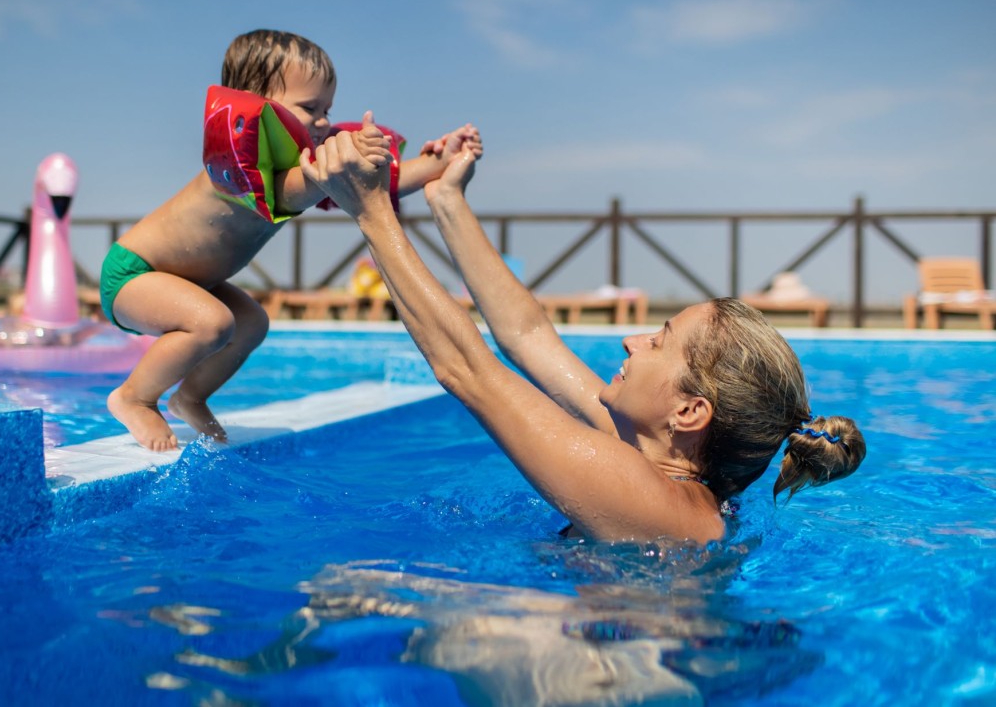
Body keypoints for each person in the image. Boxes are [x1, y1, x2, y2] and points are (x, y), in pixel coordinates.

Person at [300, 124, 865, 544]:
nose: (631, 342)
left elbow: (468, 371)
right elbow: (526, 334)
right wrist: (447, 200)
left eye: (659, 341)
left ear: (691, 413)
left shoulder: (653, 498)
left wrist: (370, 209)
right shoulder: (651, 461)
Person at [101, 29, 480, 451]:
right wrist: (350, 157)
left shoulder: (304, 170)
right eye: (309, 108)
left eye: (327, 109)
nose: (322, 121)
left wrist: (438, 161)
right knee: (212, 322)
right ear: (255, 101)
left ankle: (189, 397)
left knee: (251, 324)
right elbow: (311, 183)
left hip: (190, 282)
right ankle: (134, 397)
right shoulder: (236, 172)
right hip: (134, 273)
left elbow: (378, 184)